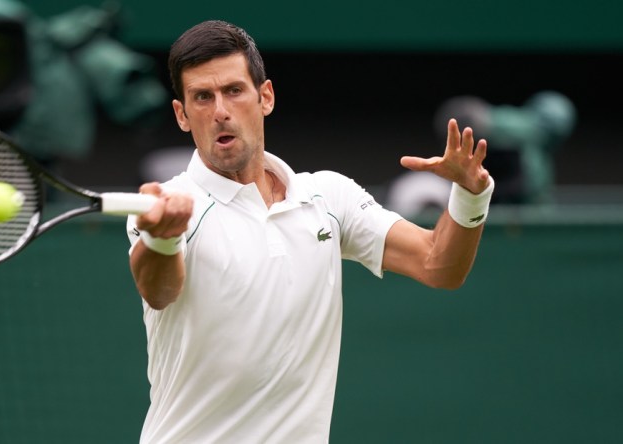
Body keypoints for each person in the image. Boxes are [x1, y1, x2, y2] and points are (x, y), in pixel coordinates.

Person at [126, 20, 494, 443]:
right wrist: (163, 237)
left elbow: (438, 265)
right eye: (202, 97)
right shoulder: (164, 206)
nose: (220, 111)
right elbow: (159, 291)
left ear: (265, 97)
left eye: (233, 91)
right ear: (182, 115)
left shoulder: (328, 197)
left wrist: (470, 194)